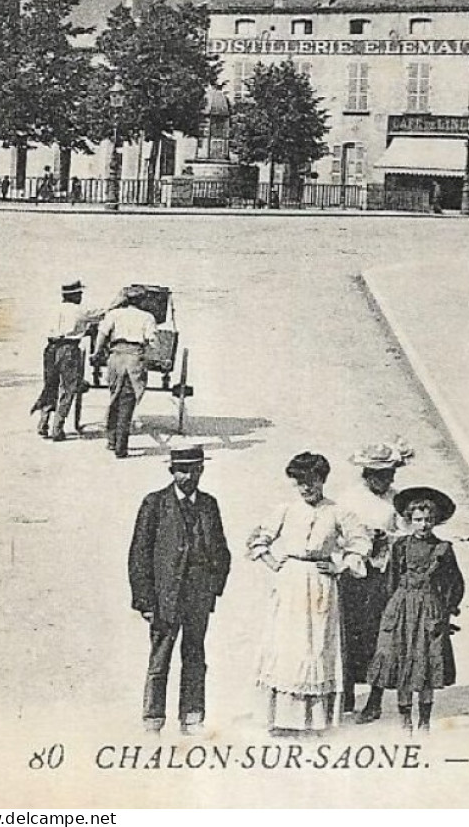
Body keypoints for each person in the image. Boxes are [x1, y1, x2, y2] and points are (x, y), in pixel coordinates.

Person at [246, 453, 369, 736]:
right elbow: (259, 539)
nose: (305, 488)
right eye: (300, 482)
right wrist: (276, 564)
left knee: (315, 646)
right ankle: (280, 720)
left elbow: (361, 543)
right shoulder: (286, 510)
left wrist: (339, 566)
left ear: (322, 480)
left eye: (311, 481)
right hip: (290, 585)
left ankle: (312, 722)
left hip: (320, 586)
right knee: (286, 644)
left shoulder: (338, 512)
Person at [127, 446, 231, 735]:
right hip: (165, 599)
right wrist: (145, 601)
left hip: (198, 597)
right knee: (160, 660)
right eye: (183, 470)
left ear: (202, 471)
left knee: (195, 657)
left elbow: (222, 551)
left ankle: (192, 716)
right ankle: (153, 720)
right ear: (172, 471)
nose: (189, 476)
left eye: (195, 470)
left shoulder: (209, 504)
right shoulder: (155, 504)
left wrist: (213, 589)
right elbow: (139, 554)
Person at [367, 486, 464, 733]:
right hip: (401, 607)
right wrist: (392, 606)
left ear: (435, 521)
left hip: (429, 608)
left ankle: (424, 721)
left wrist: (447, 609)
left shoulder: (443, 548)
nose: (423, 525)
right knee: (402, 661)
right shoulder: (400, 546)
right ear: (409, 520)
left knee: (427, 663)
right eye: (418, 520)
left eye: (428, 520)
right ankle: (405, 720)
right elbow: (391, 579)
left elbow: (455, 582)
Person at [340, 441, 412, 723]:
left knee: (380, 638)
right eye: (379, 474)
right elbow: (338, 532)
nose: (386, 479)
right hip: (353, 574)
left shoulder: (397, 501)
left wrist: (387, 538)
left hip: (383, 577)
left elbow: (405, 534)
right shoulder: (349, 499)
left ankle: (375, 699)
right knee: (347, 633)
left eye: (389, 474)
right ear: (367, 473)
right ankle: (344, 695)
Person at [94, 286, 159, 458]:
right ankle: (121, 447)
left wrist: (96, 353)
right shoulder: (147, 317)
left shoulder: (114, 314)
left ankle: (111, 439)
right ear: (142, 301)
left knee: (115, 396)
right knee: (127, 401)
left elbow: (102, 335)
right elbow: (152, 341)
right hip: (134, 359)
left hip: (115, 358)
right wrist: (152, 354)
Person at [32, 280, 94, 441]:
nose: (81, 296)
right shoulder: (80, 310)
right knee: (68, 388)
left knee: (50, 385)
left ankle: (43, 423)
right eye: (79, 294)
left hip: (51, 349)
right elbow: (99, 316)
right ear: (73, 295)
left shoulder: (53, 309)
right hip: (69, 350)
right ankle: (57, 428)